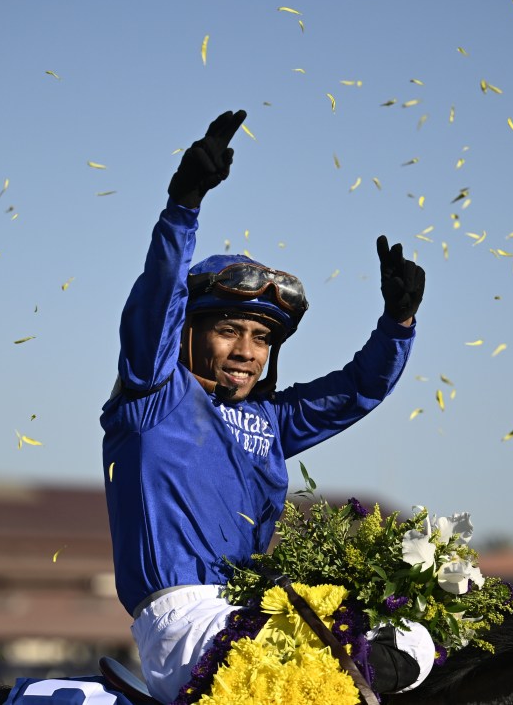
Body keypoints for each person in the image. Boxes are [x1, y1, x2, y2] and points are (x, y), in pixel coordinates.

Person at [100, 110, 430, 702]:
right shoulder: (155, 393)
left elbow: (358, 390)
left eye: (262, 340)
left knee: (415, 643)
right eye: (230, 331)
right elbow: (160, 296)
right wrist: (185, 203)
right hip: (185, 623)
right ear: (187, 335)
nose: (247, 353)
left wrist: (398, 324)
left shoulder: (269, 422)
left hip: (257, 608)